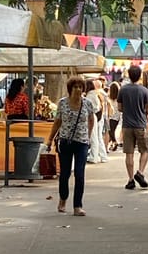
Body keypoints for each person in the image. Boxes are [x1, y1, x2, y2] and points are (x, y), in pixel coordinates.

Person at [45, 76, 94, 216]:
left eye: (80, 87)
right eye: (75, 87)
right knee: (65, 173)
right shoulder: (63, 103)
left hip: (82, 142)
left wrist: (88, 136)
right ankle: (63, 199)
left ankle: (77, 205)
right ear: (70, 89)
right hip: (65, 141)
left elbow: (91, 120)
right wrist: (50, 139)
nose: (78, 89)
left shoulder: (87, 104)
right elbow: (57, 121)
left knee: (79, 173)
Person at [117, 64, 148, 189]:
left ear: (129, 75)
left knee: (129, 153)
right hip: (141, 124)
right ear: (140, 76)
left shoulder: (123, 90)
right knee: (145, 150)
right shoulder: (144, 90)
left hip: (127, 125)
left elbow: (119, 108)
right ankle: (140, 173)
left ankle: (131, 179)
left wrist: (128, 110)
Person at [85, 78, 106, 163]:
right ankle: (96, 156)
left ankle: (94, 156)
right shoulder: (94, 94)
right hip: (95, 116)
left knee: (93, 137)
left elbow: (95, 107)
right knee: (96, 137)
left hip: (91, 116)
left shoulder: (90, 95)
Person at [106, 81, 121, 151]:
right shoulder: (119, 98)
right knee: (112, 130)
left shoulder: (108, 97)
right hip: (117, 116)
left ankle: (114, 142)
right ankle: (112, 143)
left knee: (110, 131)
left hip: (110, 116)